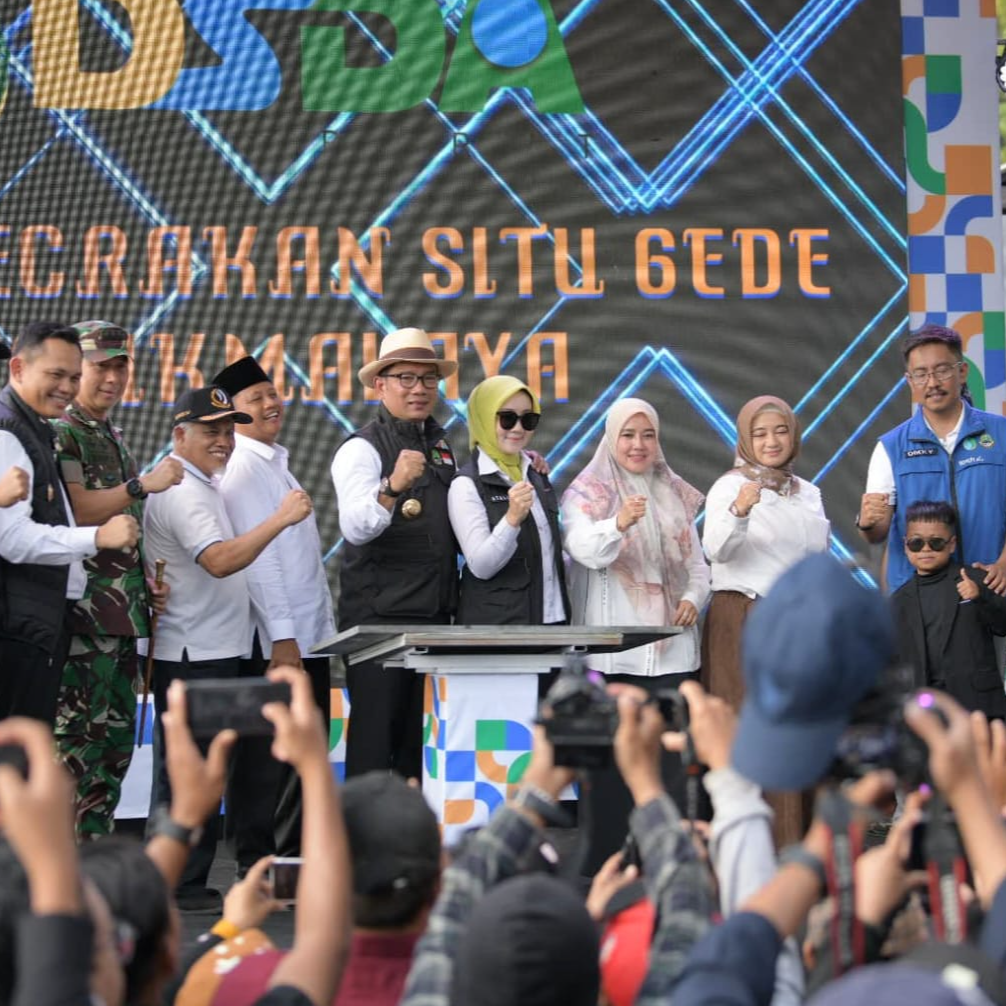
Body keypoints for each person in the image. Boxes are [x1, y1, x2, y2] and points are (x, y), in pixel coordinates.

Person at [142, 385, 312, 909]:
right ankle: (176, 882)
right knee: (185, 770)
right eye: (209, 431)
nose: (222, 440)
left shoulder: (202, 483)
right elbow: (218, 561)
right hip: (194, 652)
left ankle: (183, 878)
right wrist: (279, 519)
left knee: (199, 766)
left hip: (212, 648)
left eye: (226, 430)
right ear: (179, 435)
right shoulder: (184, 490)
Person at [561, 397, 710, 870]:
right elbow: (584, 550)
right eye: (628, 435)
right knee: (611, 770)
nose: (638, 444)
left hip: (673, 654)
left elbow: (698, 566)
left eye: (648, 435)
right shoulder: (587, 492)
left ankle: (672, 863)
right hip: (614, 657)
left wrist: (693, 598)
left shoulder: (673, 492)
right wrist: (617, 523)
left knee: (671, 765)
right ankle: (608, 865)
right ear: (611, 438)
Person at [51, 319, 184, 840]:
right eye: (100, 366)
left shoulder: (109, 432)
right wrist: (140, 484)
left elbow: (122, 528)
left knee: (113, 750)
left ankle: (95, 860)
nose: (112, 377)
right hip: (83, 623)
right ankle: (59, 865)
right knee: (75, 750)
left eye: (120, 366)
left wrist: (144, 581)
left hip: (121, 618)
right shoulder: (63, 430)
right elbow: (79, 509)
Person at [213, 355, 336, 864]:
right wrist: (282, 638)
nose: (270, 404)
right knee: (267, 759)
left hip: (305, 636)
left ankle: (293, 860)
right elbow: (258, 563)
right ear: (234, 413)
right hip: (279, 643)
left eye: (271, 393)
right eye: (255, 398)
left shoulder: (272, 462)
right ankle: (260, 864)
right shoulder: (243, 468)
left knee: (299, 753)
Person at [195, 771, 443, 1006]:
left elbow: (184, 982)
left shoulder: (236, 980)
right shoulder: (456, 988)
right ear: (438, 886)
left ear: (322, 886)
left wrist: (229, 930)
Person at [330, 327, 458, 779]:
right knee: (374, 747)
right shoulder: (361, 449)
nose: (419, 389)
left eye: (428, 378)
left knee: (416, 751)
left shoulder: (440, 444)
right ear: (380, 385)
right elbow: (355, 527)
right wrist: (392, 486)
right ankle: (360, 828)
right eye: (406, 378)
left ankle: (410, 828)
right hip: (379, 623)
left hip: (431, 617)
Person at [0, 322, 139, 725]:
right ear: (18, 369)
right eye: (56, 375)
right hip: (20, 629)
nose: (67, 387)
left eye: (74, 377)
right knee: (21, 753)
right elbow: (13, 539)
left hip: (37, 623)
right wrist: (97, 536)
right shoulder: (10, 432)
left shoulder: (35, 428)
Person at [701, 395, 830, 711]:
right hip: (747, 616)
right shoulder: (730, 487)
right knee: (744, 717)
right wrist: (740, 510)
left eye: (781, 431)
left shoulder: (808, 492)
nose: (772, 442)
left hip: (800, 621)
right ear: (746, 440)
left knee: (800, 715)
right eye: (759, 434)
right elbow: (716, 550)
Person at [859, 324, 1006, 595]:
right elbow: (876, 533)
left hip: (990, 589)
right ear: (909, 381)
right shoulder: (890, 446)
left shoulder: (1001, 433)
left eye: (942, 370)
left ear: (962, 372)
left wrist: (1004, 563)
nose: (932, 383)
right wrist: (867, 522)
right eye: (921, 374)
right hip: (918, 599)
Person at [449, 374, 567, 625]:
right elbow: (481, 567)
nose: (518, 428)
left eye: (528, 419)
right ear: (483, 417)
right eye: (507, 418)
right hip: (497, 633)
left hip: (551, 626)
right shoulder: (466, 484)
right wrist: (512, 520)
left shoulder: (536, 472)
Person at [891, 500, 1006, 720]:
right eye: (916, 543)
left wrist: (979, 597)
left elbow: (1003, 625)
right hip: (926, 711)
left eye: (936, 543)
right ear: (906, 545)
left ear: (952, 544)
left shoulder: (976, 579)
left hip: (978, 705)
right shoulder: (898, 601)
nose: (925, 549)